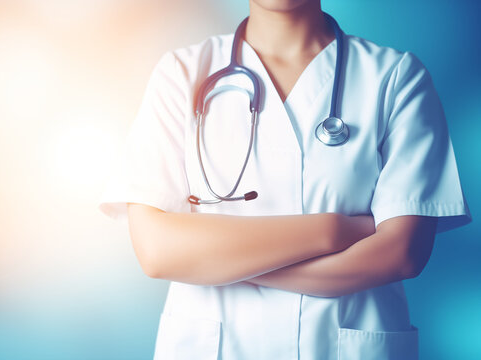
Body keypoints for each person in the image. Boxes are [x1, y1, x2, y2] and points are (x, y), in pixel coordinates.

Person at [99, 0, 471, 359]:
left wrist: (218, 262)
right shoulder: (183, 73)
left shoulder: (394, 78)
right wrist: (334, 230)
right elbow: (157, 251)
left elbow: (402, 253)